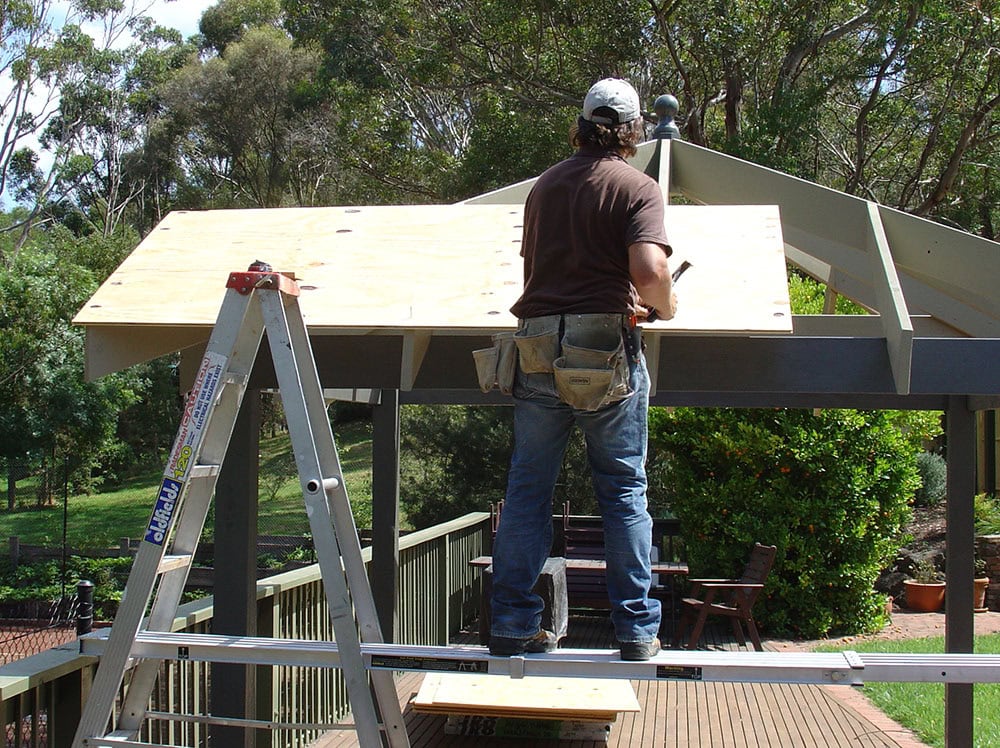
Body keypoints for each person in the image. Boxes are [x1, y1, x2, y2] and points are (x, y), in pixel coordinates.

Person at [489, 78, 677, 662]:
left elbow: (538, 270)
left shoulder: (545, 187)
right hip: (604, 349)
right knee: (623, 490)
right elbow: (649, 272)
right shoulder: (637, 187)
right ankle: (636, 632)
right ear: (632, 131)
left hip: (538, 345)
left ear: (581, 125)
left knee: (527, 491)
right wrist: (663, 305)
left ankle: (514, 625)